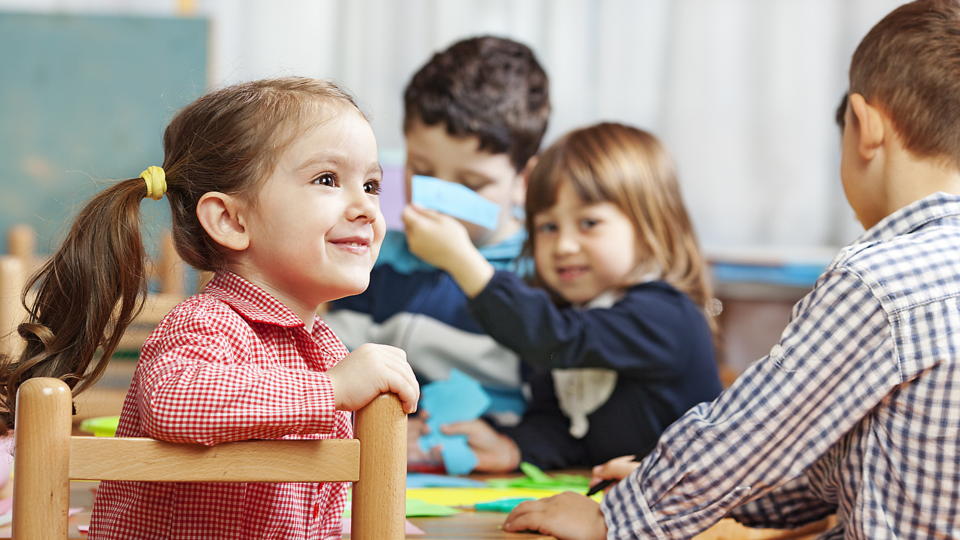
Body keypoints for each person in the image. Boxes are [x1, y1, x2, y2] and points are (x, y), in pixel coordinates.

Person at [503, 1, 960, 537]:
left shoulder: (882, 283)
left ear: (864, 126)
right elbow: (840, 470)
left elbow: (754, 432)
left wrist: (619, 513)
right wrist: (669, 487)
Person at [0, 77, 419, 539]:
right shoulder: (207, 324)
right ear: (231, 220)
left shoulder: (322, 346)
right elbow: (175, 402)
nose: (366, 207)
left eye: (372, 184)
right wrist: (332, 389)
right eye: (327, 179)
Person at [403, 122, 723, 473]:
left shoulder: (666, 315)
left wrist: (462, 261)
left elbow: (557, 336)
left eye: (589, 223)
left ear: (650, 228)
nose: (564, 247)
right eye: (548, 227)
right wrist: (512, 448)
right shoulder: (569, 313)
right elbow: (565, 430)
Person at [325, 36, 551, 431]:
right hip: (388, 462)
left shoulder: (543, 273)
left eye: (472, 184)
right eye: (424, 173)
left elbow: (561, 405)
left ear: (524, 181)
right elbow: (336, 368)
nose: (440, 201)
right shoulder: (378, 259)